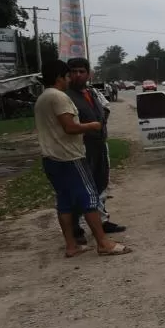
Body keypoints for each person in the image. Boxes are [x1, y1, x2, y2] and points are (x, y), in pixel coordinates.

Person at [34, 60, 131, 258]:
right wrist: (91, 125)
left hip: (51, 158)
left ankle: (71, 246)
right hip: (69, 157)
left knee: (65, 201)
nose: (72, 78)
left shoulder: (42, 97)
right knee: (89, 197)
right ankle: (103, 243)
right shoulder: (59, 97)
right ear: (60, 77)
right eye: (69, 75)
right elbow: (69, 127)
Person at [66, 58, 126, 241]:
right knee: (81, 188)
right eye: (74, 71)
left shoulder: (91, 92)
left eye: (81, 71)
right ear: (69, 74)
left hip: (100, 144)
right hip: (81, 148)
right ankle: (76, 230)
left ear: (88, 73)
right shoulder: (66, 96)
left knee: (101, 182)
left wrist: (101, 121)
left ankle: (102, 220)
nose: (78, 75)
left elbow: (105, 108)